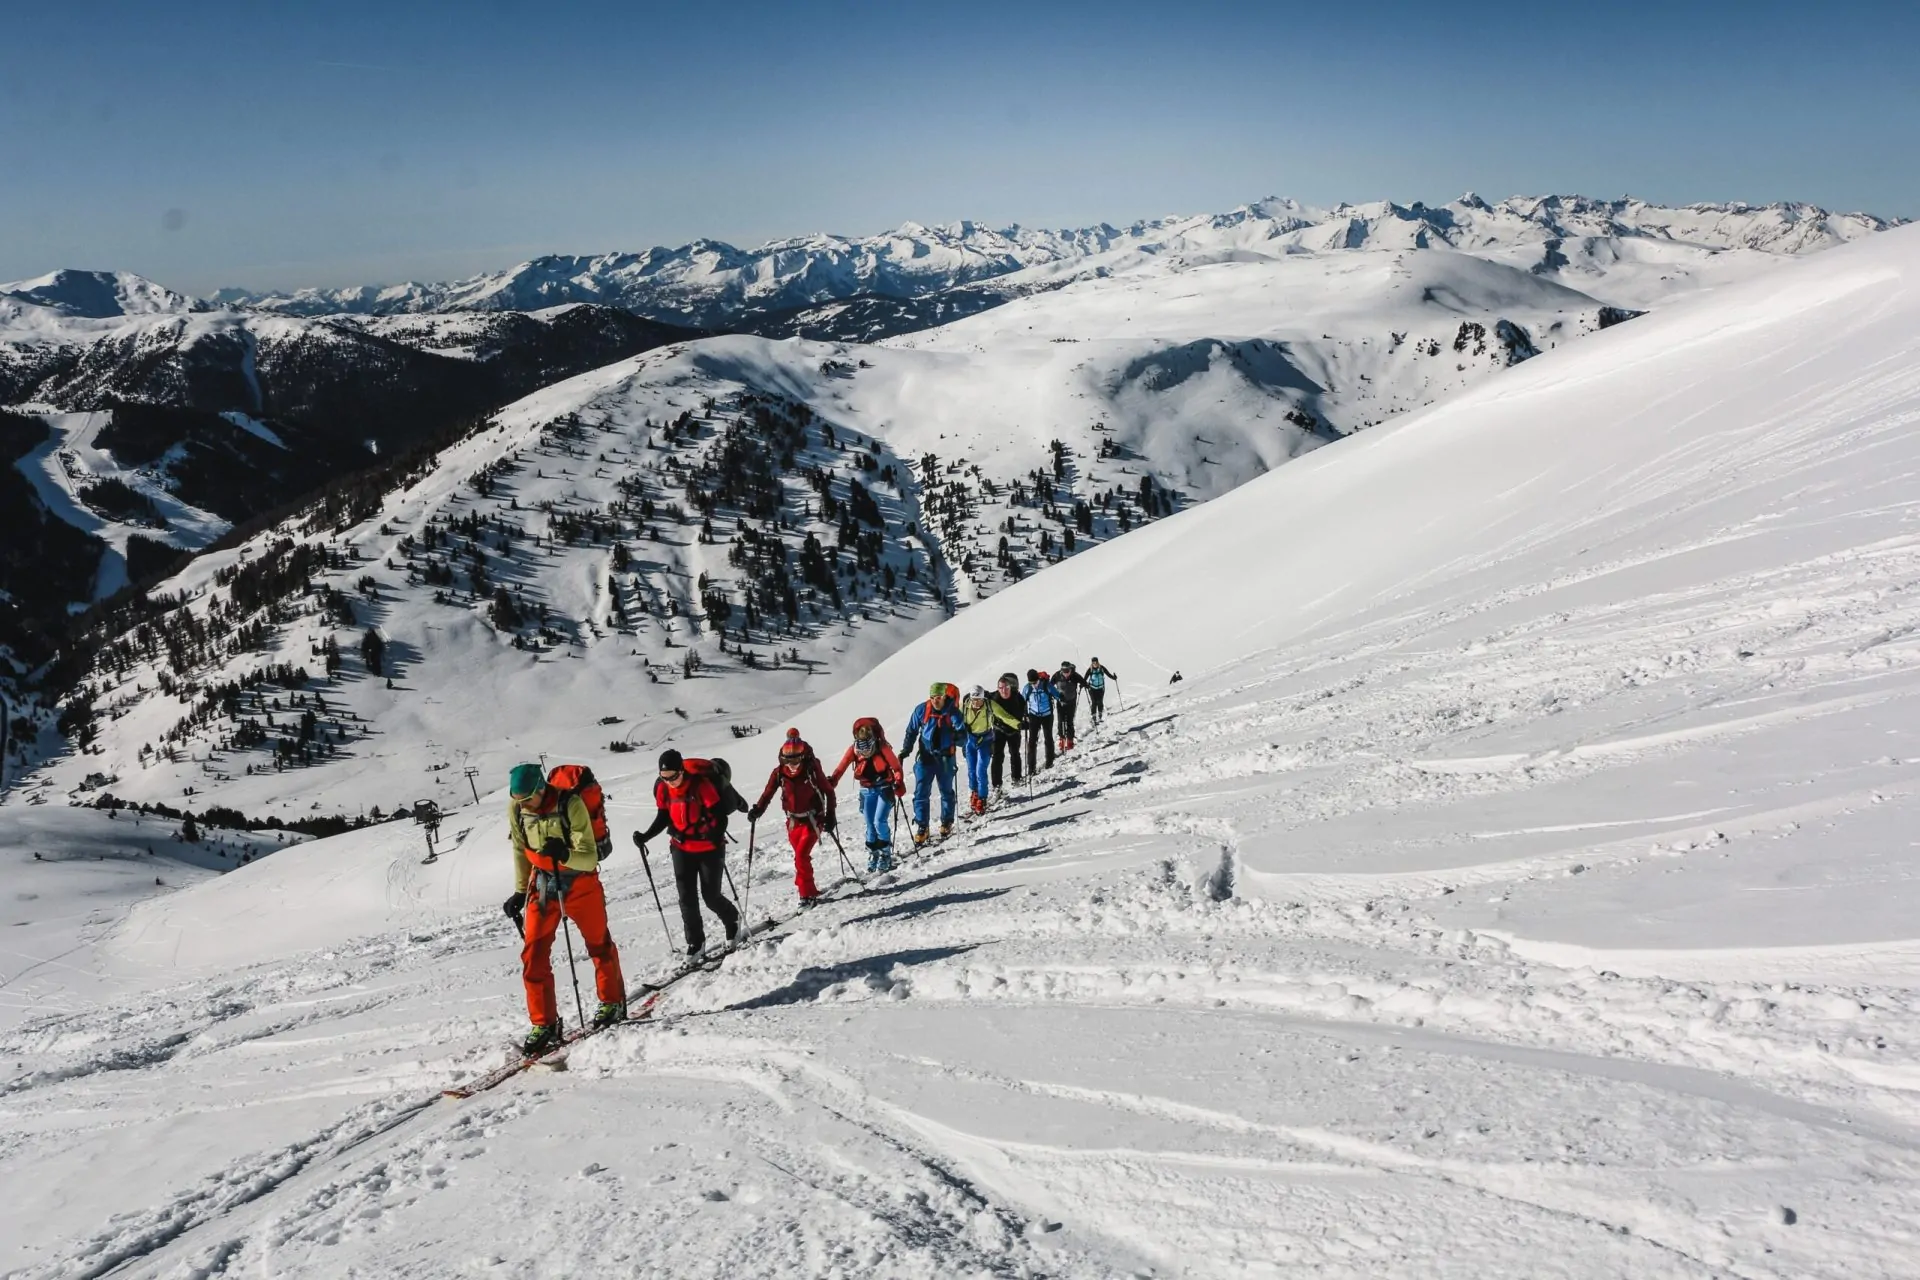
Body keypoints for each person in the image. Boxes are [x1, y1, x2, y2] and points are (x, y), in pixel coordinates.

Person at [504, 762, 627, 1055]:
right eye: (518, 800)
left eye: (527, 799)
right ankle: (544, 1023)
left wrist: (565, 854)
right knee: (533, 954)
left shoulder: (570, 804)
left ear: (541, 789)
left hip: (581, 883)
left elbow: (588, 858)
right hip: (543, 886)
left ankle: (612, 1002)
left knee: (598, 944)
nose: (523, 805)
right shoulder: (518, 807)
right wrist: (520, 891)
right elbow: (520, 850)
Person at [634, 749, 741, 958]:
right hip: (681, 848)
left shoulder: (701, 786)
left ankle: (732, 920)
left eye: (673, 776)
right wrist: (646, 836)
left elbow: (720, 816)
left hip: (709, 848)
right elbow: (663, 816)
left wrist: (714, 835)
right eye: (664, 778)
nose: (670, 782)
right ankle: (695, 943)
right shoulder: (664, 789)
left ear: (682, 770)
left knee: (711, 896)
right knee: (686, 899)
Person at [748, 729, 836, 907]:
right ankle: (810, 890)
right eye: (788, 760)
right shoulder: (779, 772)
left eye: (796, 760)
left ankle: (805, 896)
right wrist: (758, 809)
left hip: (813, 819)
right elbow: (768, 793)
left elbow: (829, 791)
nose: (793, 764)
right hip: (793, 822)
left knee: (801, 856)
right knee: (800, 857)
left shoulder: (812, 769)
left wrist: (830, 816)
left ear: (803, 757)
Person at [829, 717, 905, 871]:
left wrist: (898, 781)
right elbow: (841, 767)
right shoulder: (856, 750)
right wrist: (832, 780)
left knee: (879, 821)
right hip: (867, 790)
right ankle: (874, 853)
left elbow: (896, 767)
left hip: (884, 788)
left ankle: (885, 854)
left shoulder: (881, 747)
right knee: (871, 825)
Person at [900, 682, 965, 844]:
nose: (935, 701)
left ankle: (947, 821)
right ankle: (923, 826)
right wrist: (906, 750)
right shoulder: (922, 710)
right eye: (932, 698)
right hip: (925, 756)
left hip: (945, 758)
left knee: (946, 791)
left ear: (944, 697)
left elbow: (964, 738)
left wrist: (958, 737)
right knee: (921, 792)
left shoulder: (954, 713)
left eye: (938, 698)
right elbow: (911, 731)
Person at [960, 684, 1020, 814]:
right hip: (970, 740)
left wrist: (1018, 724)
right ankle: (974, 793)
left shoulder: (989, 705)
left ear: (983, 698)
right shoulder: (965, 706)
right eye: (974, 700)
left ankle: (982, 798)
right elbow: (956, 720)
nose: (976, 703)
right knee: (971, 770)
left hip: (985, 740)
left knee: (980, 770)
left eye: (979, 700)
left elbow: (1004, 715)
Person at [987, 673, 1026, 791]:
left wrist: (1025, 721)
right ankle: (996, 785)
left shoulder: (1018, 698)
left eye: (1006, 687)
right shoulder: (993, 697)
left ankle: (1017, 778)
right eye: (1001, 688)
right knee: (997, 757)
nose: (1003, 690)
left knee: (1015, 754)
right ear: (997, 688)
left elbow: (1023, 712)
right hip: (998, 730)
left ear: (1010, 687)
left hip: (1014, 731)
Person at [1021, 669, 1056, 774]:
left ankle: (1049, 762)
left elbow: (1056, 694)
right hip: (1033, 716)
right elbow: (1022, 702)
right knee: (1032, 742)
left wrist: (1062, 699)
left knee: (1048, 738)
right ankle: (1031, 769)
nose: (1034, 685)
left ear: (1038, 679)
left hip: (1047, 715)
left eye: (1035, 682)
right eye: (1032, 683)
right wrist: (1024, 713)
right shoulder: (1027, 688)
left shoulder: (1046, 685)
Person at [1051, 661, 1087, 753]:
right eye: (1064, 671)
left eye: (1068, 671)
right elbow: (1050, 686)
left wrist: (1085, 685)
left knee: (1069, 722)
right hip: (1060, 702)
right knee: (1060, 722)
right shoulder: (1057, 675)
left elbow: (1083, 681)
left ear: (1070, 669)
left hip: (1071, 702)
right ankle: (1062, 741)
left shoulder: (1075, 675)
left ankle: (1070, 741)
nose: (1066, 673)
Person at [1084, 658, 1116, 726]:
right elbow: (1085, 678)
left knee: (1100, 702)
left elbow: (1108, 674)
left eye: (1096, 662)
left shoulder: (1102, 668)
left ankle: (1100, 716)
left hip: (1100, 688)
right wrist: (1082, 684)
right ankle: (1094, 717)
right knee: (1094, 702)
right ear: (1092, 663)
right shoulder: (1090, 669)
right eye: (1093, 663)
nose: (1095, 664)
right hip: (1092, 688)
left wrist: (1114, 677)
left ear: (1098, 662)